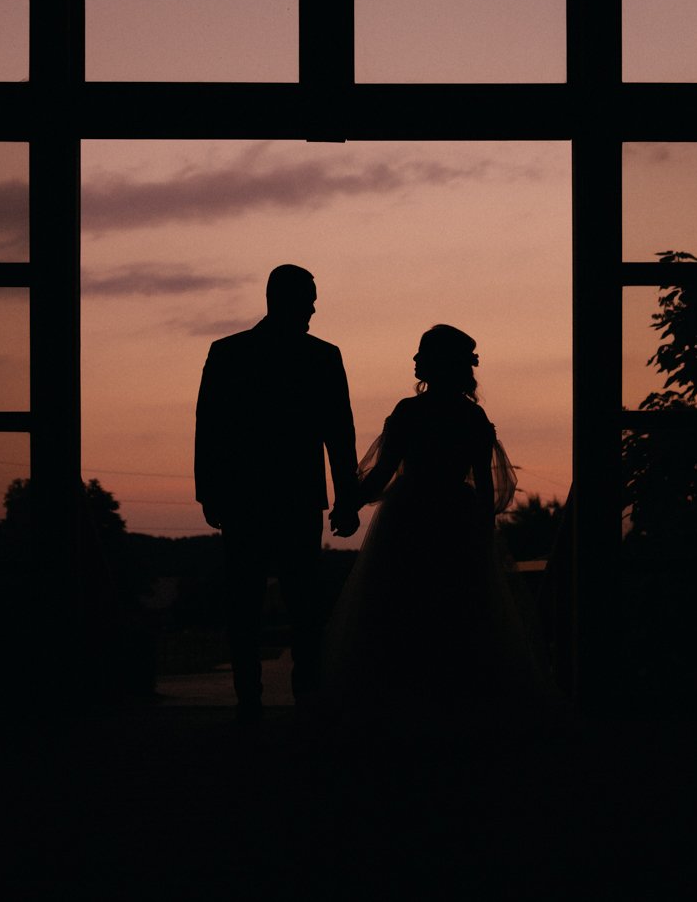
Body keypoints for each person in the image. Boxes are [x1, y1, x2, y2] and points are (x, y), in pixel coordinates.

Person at [319, 323, 561, 736]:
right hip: (456, 521)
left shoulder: (410, 412)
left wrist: (349, 504)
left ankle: (404, 703)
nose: (414, 360)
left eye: (421, 353)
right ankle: (457, 703)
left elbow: (381, 475)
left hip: (410, 520)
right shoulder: (472, 416)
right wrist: (482, 535)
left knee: (402, 607)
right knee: (458, 610)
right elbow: (486, 489)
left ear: (435, 362)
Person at [194, 264, 362, 724]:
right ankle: (304, 694)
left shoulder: (229, 353)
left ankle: (250, 698)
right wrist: (346, 497)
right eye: (308, 297)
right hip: (294, 498)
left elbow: (210, 428)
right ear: (284, 299)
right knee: (303, 602)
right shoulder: (322, 357)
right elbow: (339, 436)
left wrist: (209, 490)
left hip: (245, 499)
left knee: (246, 601)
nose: (313, 306)